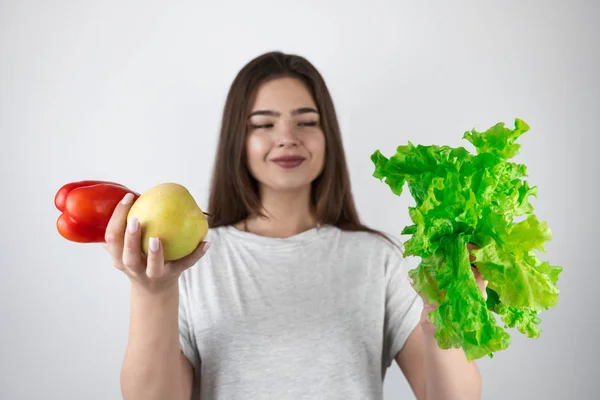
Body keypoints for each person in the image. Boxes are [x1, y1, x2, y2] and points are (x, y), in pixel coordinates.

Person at [103, 51, 487, 400]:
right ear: (238, 140)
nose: (287, 139)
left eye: (306, 122)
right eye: (263, 125)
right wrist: (152, 292)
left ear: (327, 137)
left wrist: (444, 314)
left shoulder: (378, 260)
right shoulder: (190, 260)